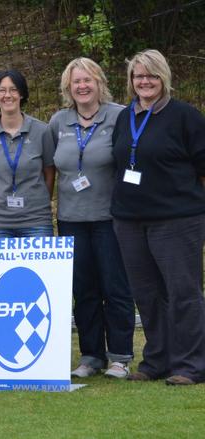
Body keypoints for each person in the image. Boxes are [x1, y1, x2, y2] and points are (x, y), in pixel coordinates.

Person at [111, 49, 205, 385]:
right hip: (130, 221)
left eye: (151, 75)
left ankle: (191, 364)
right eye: (138, 76)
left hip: (177, 220)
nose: (144, 81)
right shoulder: (126, 117)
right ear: (131, 81)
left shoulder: (185, 116)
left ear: (163, 77)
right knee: (147, 294)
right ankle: (157, 360)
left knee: (183, 292)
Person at [48, 57, 134, 379]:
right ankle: (91, 356)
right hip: (71, 220)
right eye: (76, 82)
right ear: (68, 88)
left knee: (116, 287)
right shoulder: (59, 121)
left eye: (88, 80)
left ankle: (120, 357)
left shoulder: (119, 115)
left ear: (99, 83)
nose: (82, 86)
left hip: (110, 219)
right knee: (83, 290)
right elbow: (51, 168)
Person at [0, 70, 55, 238]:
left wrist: (37, 202)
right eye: (2, 90)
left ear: (22, 94)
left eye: (13, 89)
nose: (7, 95)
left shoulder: (42, 131)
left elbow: (49, 172)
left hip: (36, 220)